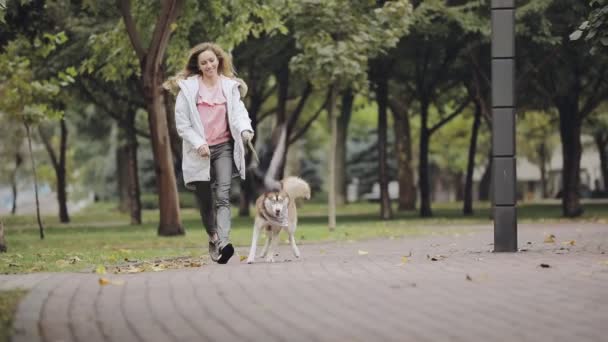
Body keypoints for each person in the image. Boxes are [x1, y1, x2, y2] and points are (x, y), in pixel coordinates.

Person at [164, 42, 254, 264]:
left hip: (224, 147)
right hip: (199, 151)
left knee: (223, 195)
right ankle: (213, 236)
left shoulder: (229, 86)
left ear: (219, 61)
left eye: (212, 60)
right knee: (205, 199)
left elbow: (240, 113)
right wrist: (198, 143)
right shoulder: (189, 89)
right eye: (203, 62)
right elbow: (182, 124)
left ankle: (224, 243)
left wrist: (245, 130)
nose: (208, 65)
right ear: (198, 65)